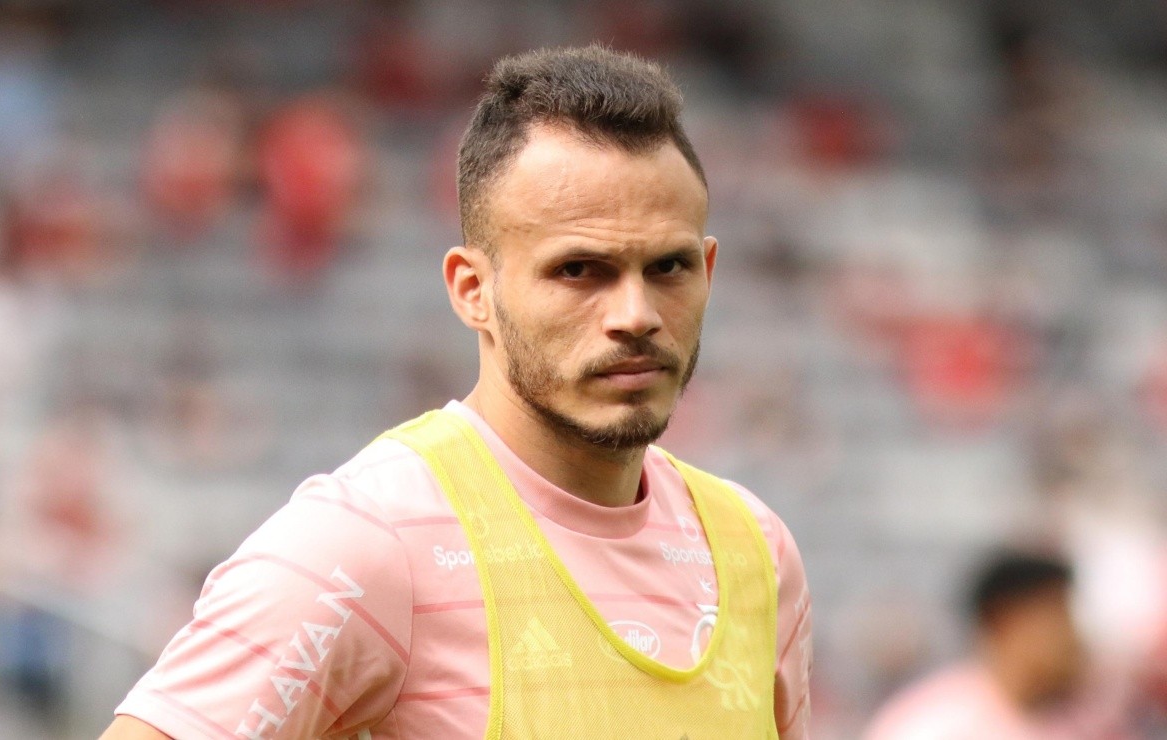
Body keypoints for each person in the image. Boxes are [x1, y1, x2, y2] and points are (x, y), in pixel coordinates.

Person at [100, 45, 812, 739]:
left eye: (668, 267)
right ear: (473, 290)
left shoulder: (756, 550)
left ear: (708, 270)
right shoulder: (371, 543)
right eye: (578, 270)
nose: (636, 315)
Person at [863, 550, 1087, 740]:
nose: (1073, 637)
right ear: (1004, 622)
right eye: (1059, 617)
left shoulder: (1072, 719)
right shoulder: (931, 725)